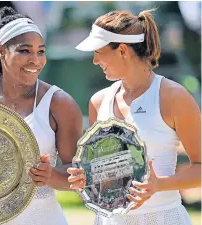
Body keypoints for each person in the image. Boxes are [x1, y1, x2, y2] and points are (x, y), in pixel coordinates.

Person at [67, 9, 201, 225]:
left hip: (164, 218)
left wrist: (160, 185)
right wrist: (87, 177)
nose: (94, 60)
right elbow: (105, 173)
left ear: (122, 50)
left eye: (98, 52)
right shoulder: (98, 102)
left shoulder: (174, 97)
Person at [0, 7, 83, 225]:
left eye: (41, 51)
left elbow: (77, 177)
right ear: (1, 51)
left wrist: (51, 176)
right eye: (24, 51)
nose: (36, 60)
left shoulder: (59, 104)